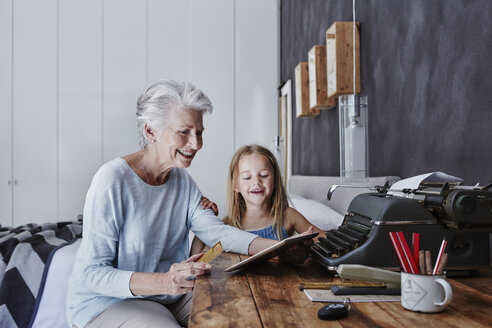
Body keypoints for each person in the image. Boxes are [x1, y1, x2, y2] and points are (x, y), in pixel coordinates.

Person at [66, 80, 312, 328]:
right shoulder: (111, 180)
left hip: (168, 295)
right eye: (184, 132)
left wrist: (279, 246)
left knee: (241, 310)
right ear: (151, 131)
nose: (196, 144)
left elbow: (217, 233)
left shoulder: (182, 181)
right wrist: (164, 281)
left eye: (199, 132)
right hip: (108, 303)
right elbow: (93, 274)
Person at [191, 144, 325, 255]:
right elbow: (197, 257)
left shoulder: (288, 216)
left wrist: (308, 248)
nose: (256, 182)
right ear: (235, 186)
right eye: (247, 177)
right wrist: (206, 219)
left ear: (275, 180)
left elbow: (325, 242)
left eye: (264, 175)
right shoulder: (227, 225)